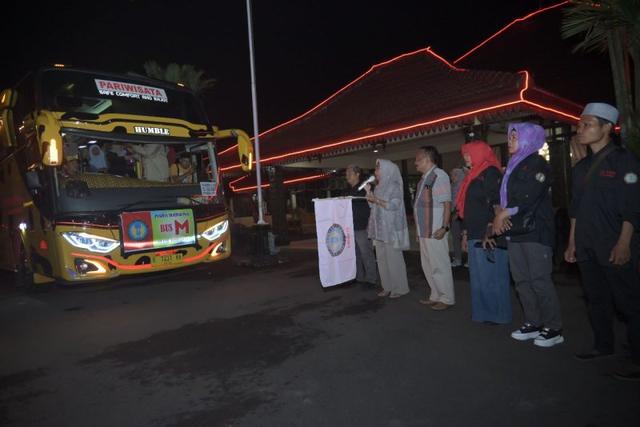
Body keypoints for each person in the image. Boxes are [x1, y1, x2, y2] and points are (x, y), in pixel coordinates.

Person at [564, 102, 640, 381]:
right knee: (596, 299)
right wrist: (572, 242)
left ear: (607, 127)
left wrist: (624, 243)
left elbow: (633, 204)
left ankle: (637, 359)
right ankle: (603, 345)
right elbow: (575, 209)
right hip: (586, 243)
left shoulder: (624, 160)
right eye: (579, 124)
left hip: (614, 242)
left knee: (630, 302)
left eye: (587, 124)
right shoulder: (581, 167)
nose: (580, 129)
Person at [493, 123, 563, 347]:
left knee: (539, 280)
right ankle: (533, 322)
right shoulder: (514, 165)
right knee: (522, 280)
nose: (509, 141)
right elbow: (506, 197)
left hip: (535, 230)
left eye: (515, 137)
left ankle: (554, 328)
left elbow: (529, 195)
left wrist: (504, 213)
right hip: (515, 230)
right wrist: (501, 213)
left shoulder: (537, 163)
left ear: (528, 139)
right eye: (509, 137)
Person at [456, 141, 512, 325]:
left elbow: (496, 203)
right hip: (474, 231)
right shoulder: (473, 175)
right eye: (465, 154)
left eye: (469, 153)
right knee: (479, 276)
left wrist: (490, 231)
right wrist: (465, 234)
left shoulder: (490, 172)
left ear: (480, 153)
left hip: (488, 232)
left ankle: (498, 314)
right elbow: (468, 208)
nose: (466, 157)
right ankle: (483, 313)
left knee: (492, 276)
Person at [413, 146, 455, 311]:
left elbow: (447, 204)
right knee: (428, 265)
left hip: (435, 229)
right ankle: (435, 295)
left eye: (418, 159)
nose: (415, 163)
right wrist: (418, 231)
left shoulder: (439, 176)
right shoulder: (424, 179)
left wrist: (444, 227)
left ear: (427, 159)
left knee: (439, 265)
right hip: (424, 230)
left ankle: (447, 298)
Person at [365, 159, 410, 299]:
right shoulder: (378, 187)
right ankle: (387, 286)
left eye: (378, 169)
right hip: (379, 229)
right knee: (382, 259)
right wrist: (369, 194)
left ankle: (400, 288)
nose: (375, 172)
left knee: (394, 259)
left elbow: (394, 205)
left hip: (390, 229)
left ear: (386, 170)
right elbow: (373, 207)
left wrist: (376, 200)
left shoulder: (394, 186)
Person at [344, 164, 378, 288]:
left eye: (350, 173)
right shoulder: (348, 190)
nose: (347, 176)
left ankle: (371, 279)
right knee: (355, 255)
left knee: (366, 254)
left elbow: (372, 206)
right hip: (350, 227)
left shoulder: (365, 187)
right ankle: (359, 277)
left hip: (363, 227)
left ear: (357, 174)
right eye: (346, 174)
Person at [449, 167, 467, 267]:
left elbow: (461, 201)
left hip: (460, 215)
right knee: (457, 238)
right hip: (456, 215)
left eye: (452, 175)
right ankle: (459, 259)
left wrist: (456, 212)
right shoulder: (453, 185)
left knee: (462, 237)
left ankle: (461, 259)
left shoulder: (463, 185)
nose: (451, 177)